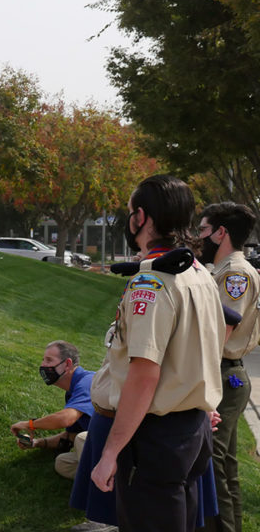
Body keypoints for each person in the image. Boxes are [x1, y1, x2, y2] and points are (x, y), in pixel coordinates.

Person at [90, 174, 224, 532]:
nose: (128, 219)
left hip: (155, 437)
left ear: (142, 217)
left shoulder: (152, 282)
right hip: (192, 429)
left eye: (130, 211)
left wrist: (109, 452)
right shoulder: (199, 273)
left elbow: (143, 374)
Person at [197, 201, 260, 532]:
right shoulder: (220, 270)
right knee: (225, 464)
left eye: (204, 230)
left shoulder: (235, 273)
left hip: (223, 373)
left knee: (213, 461)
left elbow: (222, 330)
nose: (200, 236)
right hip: (223, 371)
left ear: (221, 233)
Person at [10, 340, 94, 480]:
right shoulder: (72, 391)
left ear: (67, 364)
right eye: (43, 360)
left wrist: (29, 424)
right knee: (63, 463)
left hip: (121, 445)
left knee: (82, 440)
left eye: (49, 360)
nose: (43, 365)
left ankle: (114, 485)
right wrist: (37, 443)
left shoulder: (87, 381)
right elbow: (70, 435)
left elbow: (65, 418)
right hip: (100, 440)